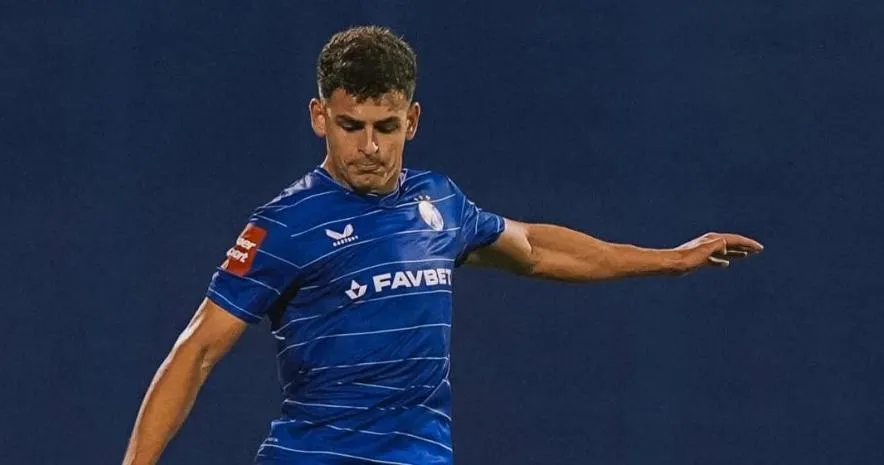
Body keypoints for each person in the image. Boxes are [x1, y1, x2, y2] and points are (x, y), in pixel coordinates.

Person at [122, 25, 764, 465]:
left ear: (413, 120)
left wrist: (668, 259)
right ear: (320, 118)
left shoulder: (441, 204)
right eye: (349, 126)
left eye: (386, 126)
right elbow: (196, 353)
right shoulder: (285, 224)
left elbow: (537, 249)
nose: (369, 147)